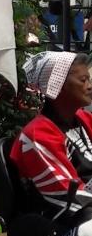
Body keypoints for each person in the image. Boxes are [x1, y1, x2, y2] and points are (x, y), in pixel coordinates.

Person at [9, 50, 92, 221]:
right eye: (83, 80)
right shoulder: (37, 135)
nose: (90, 85)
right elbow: (70, 198)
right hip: (64, 224)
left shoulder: (85, 119)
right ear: (58, 85)